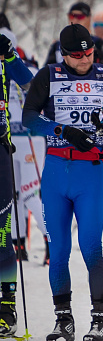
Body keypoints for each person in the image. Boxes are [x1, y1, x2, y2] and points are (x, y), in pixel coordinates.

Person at [22, 24, 103, 341]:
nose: (85, 59)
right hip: (57, 170)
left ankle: (101, 320)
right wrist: (62, 130)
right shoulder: (49, 75)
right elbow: (29, 116)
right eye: (77, 55)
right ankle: (64, 319)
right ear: (64, 54)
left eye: (89, 53)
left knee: (91, 247)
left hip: (89, 174)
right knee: (58, 250)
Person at [0, 32, 34, 339]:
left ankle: (6, 307)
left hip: (0, 148)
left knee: (1, 232)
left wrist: (10, 55)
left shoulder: (2, 54)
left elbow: (30, 88)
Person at [4, 31, 47, 263]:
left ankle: (52, 239)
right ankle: (18, 246)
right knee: (15, 196)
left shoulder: (23, 66)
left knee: (30, 194)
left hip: (30, 138)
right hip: (10, 138)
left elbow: (36, 93)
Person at [46, 2, 103, 67]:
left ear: (89, 18)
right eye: (72, 16)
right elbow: (48, 70)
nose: (75, 19)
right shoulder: (58, 45)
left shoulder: (99, 44)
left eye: (80, 16)